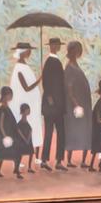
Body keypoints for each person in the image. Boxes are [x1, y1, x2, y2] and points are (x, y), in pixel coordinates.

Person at [61, 40, 92, 170]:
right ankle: (68, 160)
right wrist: (76, 104)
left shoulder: (75, 66)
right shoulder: (69, 68)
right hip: (75, 106)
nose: (79, 52)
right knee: (73, 131)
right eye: (77, 50)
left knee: (85, 130)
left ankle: (84, 160)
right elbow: (69, 89)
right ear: (72, 51)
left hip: (83, 103)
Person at [8, 43, 43, 155]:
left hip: (31, 103)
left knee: (34, 126)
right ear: (22, 52)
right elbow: (26, 88)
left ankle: (35, 155)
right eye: (28, 50)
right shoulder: (19, 68)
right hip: (24, 103)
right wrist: (40, 79)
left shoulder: (24, 66)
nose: (29, 52)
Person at [39, 37, 67, 171]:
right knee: (49, 132)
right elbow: (46, 83)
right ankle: (44, 160)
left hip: (59, 105)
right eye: (55, 44)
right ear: (51, 46)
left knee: (61, 133)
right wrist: (50, 98)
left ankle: (59, 161)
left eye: (58, 44)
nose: (57, 46)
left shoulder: (56, 61)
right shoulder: (50, 62)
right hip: (51, 106)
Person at [0, 87, 25, 178]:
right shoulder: (2, 108)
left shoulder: (6, 107)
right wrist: (5, 136)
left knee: (13, 152)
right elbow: (1, 124)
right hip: (5, 135)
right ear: (6, 96)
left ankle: (14, 170)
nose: (11, 96)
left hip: (10, 134)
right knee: (0, 153)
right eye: (10, 94)